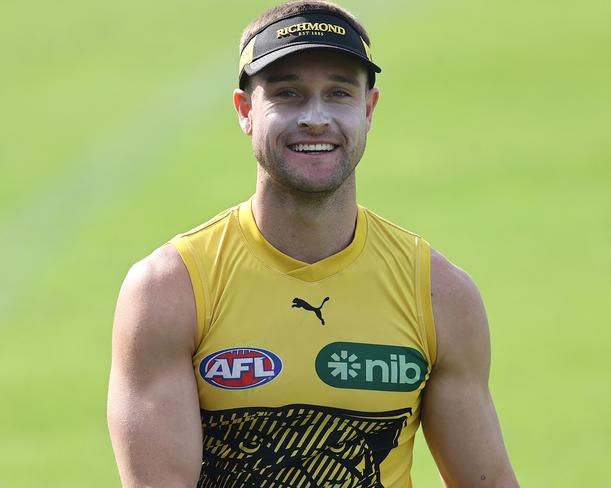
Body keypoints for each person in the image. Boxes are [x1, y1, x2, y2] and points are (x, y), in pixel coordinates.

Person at [107, 1, 519, 486]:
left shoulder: (439, 294)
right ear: (245, 111)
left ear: (368, 109)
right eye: (289, 94)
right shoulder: (171, 290)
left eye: (339, 93)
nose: (316, 118)